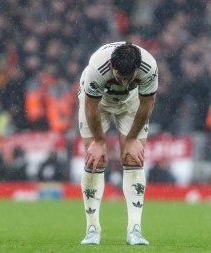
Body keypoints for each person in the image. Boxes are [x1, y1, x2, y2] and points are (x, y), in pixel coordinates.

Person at [78, 42, 158, 245]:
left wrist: (131, 139)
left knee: (133, 157)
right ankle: (92, 229)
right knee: (95, 160)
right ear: (112, 65)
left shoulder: (149, 67)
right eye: (119, 76)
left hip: (131, 103)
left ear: (136, 70)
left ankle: (135, 230)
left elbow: (147, 103)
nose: (123, 82)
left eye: (128, 78)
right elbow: (91, 107)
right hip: (98, 104)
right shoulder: (97, 67)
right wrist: (98, 141)